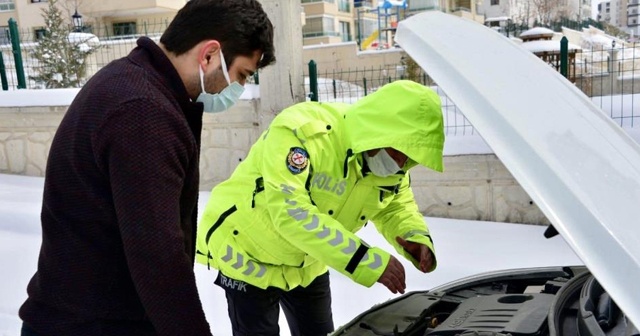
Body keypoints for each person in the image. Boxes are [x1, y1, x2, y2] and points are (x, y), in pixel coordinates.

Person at [18, 0, 275, 335]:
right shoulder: (143, 112)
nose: (235, 89)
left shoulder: (134, 82)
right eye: (241, 74)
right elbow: (158, 257)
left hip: (86, 314)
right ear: (210, 54)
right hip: (91, 324)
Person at [196, 80, 445, 336]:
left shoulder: (394, 168)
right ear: (380, 130)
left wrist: (416, 238)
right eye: (399, 151)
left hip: (308, 261)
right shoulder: (303, 132)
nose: (401, 163)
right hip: (247, 255)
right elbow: (291, 212)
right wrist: (364, 260)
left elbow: (396, 207)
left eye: (410, 158)